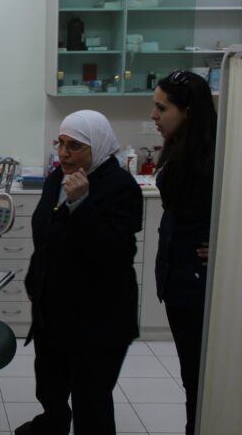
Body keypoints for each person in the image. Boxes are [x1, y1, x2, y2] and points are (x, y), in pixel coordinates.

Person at [15, 110, 143, 435]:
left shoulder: (121, 186)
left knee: (91, 403)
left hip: (98, 321)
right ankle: (52, 426)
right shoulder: (57, 178)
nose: (63, 154)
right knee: (50, 389)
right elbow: (46, 235)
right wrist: (35, 278)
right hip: (54, 314)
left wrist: (81, 203)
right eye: (60, 143)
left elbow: (113, 252)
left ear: (96, 146)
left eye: (74, 146)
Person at [150, 70, 216, 435]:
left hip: (198, 286)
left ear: (188, 111)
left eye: (162, 108)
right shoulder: (180, 149)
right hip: (178, 280)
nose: (154, 116)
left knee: (199, 378)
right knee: (192, 376)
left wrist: (227, 246)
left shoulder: (216, 159)